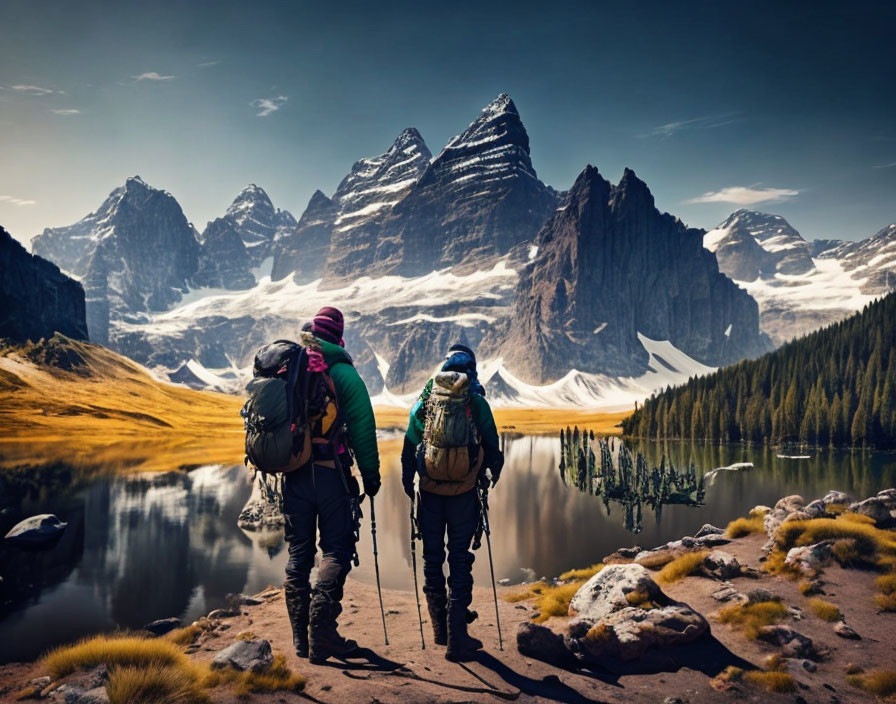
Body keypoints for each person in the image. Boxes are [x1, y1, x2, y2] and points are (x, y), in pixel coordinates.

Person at [282, 306, 380, 664]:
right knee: (336, 549)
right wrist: (371, 476)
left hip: (294, 478)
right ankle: (322, 635)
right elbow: (364, 430)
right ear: (338, 336)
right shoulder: (345, 374)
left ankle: (300, 641)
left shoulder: (291, 367)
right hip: (330, 474)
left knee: (298, 554)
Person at [401, 343, 504, 662]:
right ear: (471, 368)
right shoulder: (475, 400)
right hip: (464, 495)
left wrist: (409, 480)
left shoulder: (427, 398)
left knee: (433, 559)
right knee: (459, 559)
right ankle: (457, 639)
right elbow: (492, 446)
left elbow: (410, 442)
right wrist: (488, 475)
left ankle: (439, 630)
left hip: (430, 494)